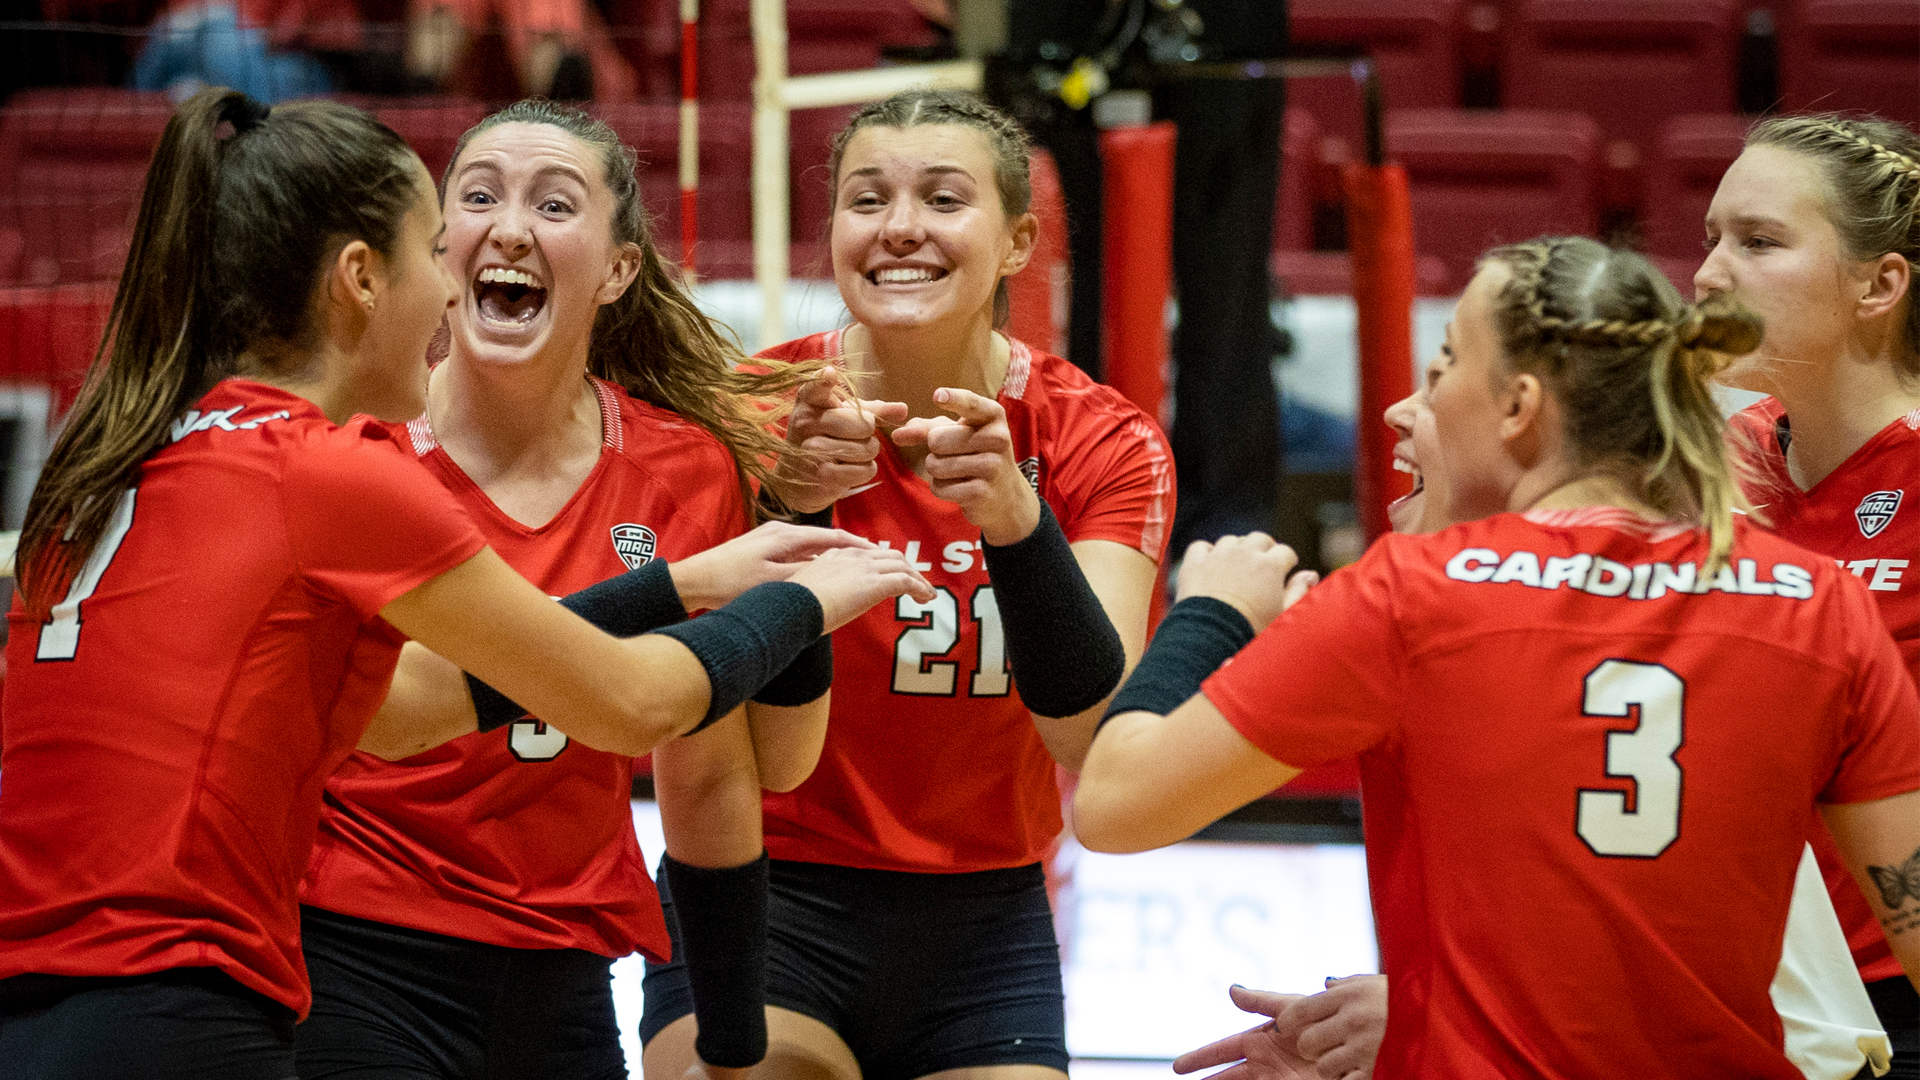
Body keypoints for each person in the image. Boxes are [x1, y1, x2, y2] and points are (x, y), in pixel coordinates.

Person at [0, 88, 928, 1080]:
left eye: (552, 204)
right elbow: (630, 703)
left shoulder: (129, 446)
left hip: (58, 984)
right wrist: (808, 596)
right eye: (439, 242)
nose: (454, 284)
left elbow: (412, 710)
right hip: (217, 983)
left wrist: (681, 582)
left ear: (618, 268)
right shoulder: (337, 471)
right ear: (363, 279)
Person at [1074, 235, 1920, 1077]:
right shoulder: (1820, 605)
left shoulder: (1410, 595)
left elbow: (1114, 804)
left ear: (1518, 406)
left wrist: (1212, 613)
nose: (1411, 406)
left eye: (1444, 365)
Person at [290, 98, 849, 1079]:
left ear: (619, 270)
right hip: (347, 953)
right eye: (478, 198)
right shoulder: (352, 456)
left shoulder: (684, 471)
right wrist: (678, 588)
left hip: (563, 973)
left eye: (553, 205)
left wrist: (730, 1046)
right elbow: (389, 711)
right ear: (437, 248)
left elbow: (714, 776)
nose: (509, 228)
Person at [640, 87, 1175, 1080]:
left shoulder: (1103, 439)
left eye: (942, 198)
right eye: (866, 198)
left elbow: (1092, 739)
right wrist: (788, 506)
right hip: (765, 886)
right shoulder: (743, 418)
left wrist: (1016, 521)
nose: (899, 228)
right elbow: (725, 736)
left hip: (984, 915)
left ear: (1017, 242)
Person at [1706, 112, 1920, 1077]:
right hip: (1723, 1000)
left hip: (1894, 1010)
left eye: (1758, 242)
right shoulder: (1702, 468)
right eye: (1712, 238)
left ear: (1880, 285)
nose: (1709, 274)